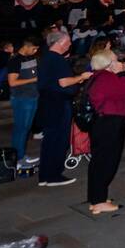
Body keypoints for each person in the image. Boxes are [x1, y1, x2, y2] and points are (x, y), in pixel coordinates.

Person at [37, 29, 92, 187]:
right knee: (59, 140)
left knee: (49, 140)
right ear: (59, 42)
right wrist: (81, 77)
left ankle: (45, 176)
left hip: (48, 102)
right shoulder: (57, 59)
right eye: (67, 41)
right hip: (58, 103)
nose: (70, 44)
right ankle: (54, 175)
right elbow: (63, 82)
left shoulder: (46, 57)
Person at [85, 49, 125, 216]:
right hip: (109, 123)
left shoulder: (98, 76)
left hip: (104, 123)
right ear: (108, 63)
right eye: (115, 60)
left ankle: (96, 199)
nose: (118, 62)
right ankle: (99, 201)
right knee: (107, 161)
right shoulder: (106, 78)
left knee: (99, 161)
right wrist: (122, 74)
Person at [6, 36, 42, 169]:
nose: (35, 51)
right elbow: (12, 82)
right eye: (34, 48)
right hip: (22, 98)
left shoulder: (31, 58)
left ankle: (21, 155)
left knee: (26, 129)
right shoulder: (15, 61)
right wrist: (34, 79)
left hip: (33, 96)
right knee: (20, 129)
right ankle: (18, 159)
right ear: (26, 46)